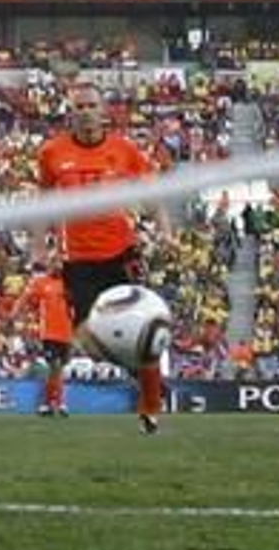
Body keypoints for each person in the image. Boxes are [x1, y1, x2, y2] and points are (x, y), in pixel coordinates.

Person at [32, 83, 174, 435]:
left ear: (103, 110)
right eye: (78, 106)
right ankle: (134, 369)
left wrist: (165, 229)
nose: (85, 112)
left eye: (91, 105)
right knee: (88, 338)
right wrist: (39, 246)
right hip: (78, 259)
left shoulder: (124, 150)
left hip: (121, 254)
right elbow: (42, 204)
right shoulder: (51, 153)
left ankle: (151, 406)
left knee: (143, 326)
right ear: (70, 112)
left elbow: (152, 193)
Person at [17, 260, 74, 417]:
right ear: (50, 266)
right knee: (55, 366)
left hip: (66, 333)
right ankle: (60, 403)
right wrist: (14, 314)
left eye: (60, 265)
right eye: (54, 264)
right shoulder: (41, 283)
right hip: (49, 333)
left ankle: (48, 404)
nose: (57, 267)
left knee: (58, 370)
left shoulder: (69, 283)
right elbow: (25, 298)